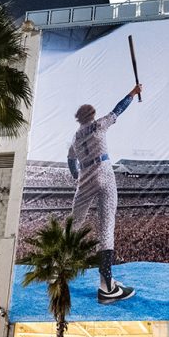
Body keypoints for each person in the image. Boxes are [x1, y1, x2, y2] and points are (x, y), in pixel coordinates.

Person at [68, 83, 143, 304]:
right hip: (103, 171)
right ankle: (106, 286)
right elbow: (119, 108)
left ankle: (56, 268)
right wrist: (133, 92)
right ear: (92, 115)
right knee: (106, 227)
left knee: (74, 223)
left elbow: (71, 161)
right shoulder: (100, 124)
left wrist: (76, 176)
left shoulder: (74, 138)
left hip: (85, 178)